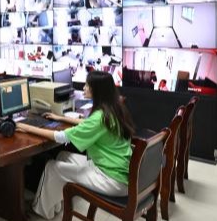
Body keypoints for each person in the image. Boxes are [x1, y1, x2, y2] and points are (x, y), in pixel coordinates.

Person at [16, 72, 135, 219]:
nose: (84, 88)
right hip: (118, 171)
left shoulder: (99, 117)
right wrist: (60, 117)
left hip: (111, 179)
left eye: (87, 85)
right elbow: (88, 124)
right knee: (63, 156)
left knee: (52, 167)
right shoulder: (113, 109)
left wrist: (25, 127)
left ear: (97, 90)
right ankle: (54, 205)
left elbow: (61, 137)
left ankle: (40, 210)